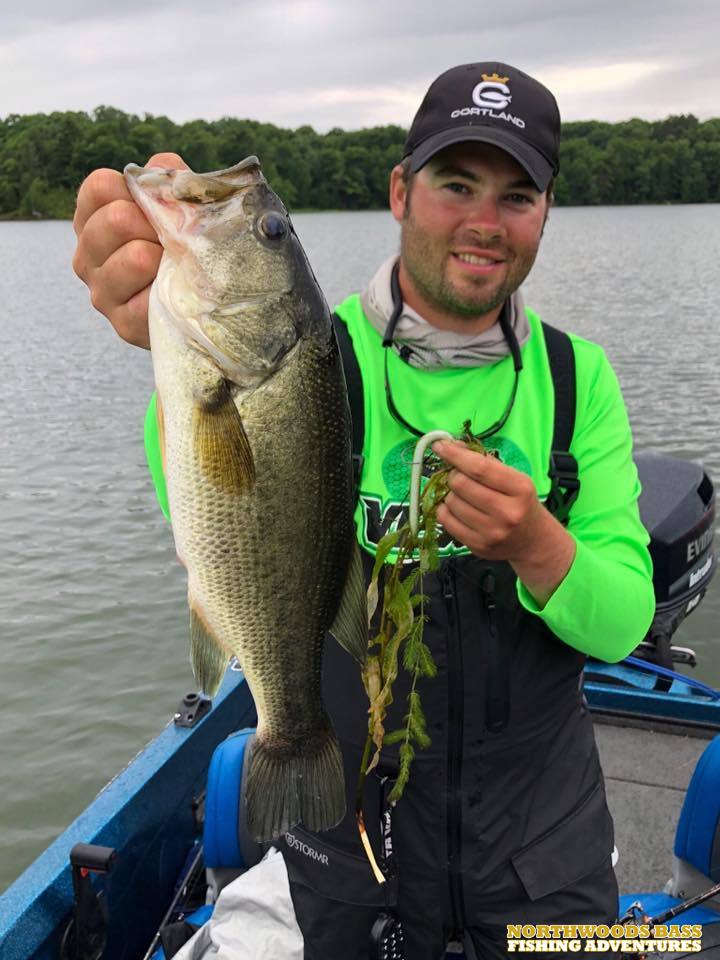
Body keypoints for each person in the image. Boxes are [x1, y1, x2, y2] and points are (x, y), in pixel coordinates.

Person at [72, 62, 655, 959]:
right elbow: (213, 509)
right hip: (353, 853)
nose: (482, 222)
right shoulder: (315, 351)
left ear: (546, 212)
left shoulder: (579, 385)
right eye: (455, 184)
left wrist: (540, 546)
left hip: (548, 861)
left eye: (517, 195)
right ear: (399, 190)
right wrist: (165, 336)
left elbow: (622, 624)